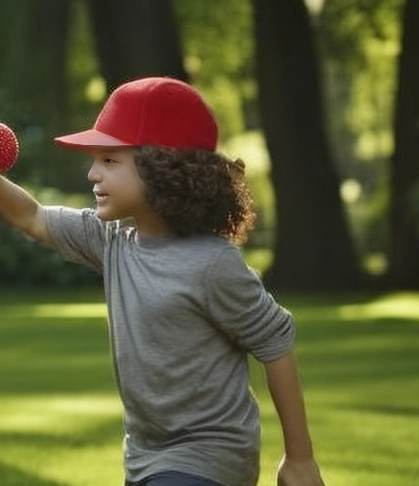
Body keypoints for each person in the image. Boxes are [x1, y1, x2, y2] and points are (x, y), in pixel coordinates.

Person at [0, 77, 325, 486]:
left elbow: (275, 344)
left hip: (211, 455)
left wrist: (299, 459)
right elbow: (32, 218)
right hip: (145, 457)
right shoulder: (111, 241)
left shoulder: (212, 263)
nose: (92, 174)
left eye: (110, 160)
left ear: (162, 168)